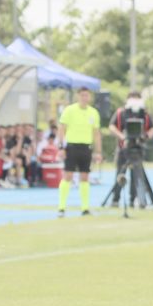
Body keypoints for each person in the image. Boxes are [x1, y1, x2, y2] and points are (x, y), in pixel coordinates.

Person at [56, 87, 102, 216]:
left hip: (86, 147)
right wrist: (61, 147)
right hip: (71, 147)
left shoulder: (93, 113)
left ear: (90, 97)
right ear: (78, 96)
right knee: (68, 176)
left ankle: (85, 208)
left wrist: (98, 151)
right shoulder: (69, 110)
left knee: (85, 176)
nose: (84, 98)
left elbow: (96, 133)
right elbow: (61, 129)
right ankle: (61, 207)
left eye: (87, 95)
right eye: (82, 95)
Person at [108, 91, 153, 206]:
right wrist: (122, 136)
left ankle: (134, 199)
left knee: (137, 175)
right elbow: (111, 126)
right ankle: (116, 199)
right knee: (120, 173)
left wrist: (146, 136)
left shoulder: (144, 113)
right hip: (123, 149)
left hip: (138, 149)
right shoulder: (121, 112)